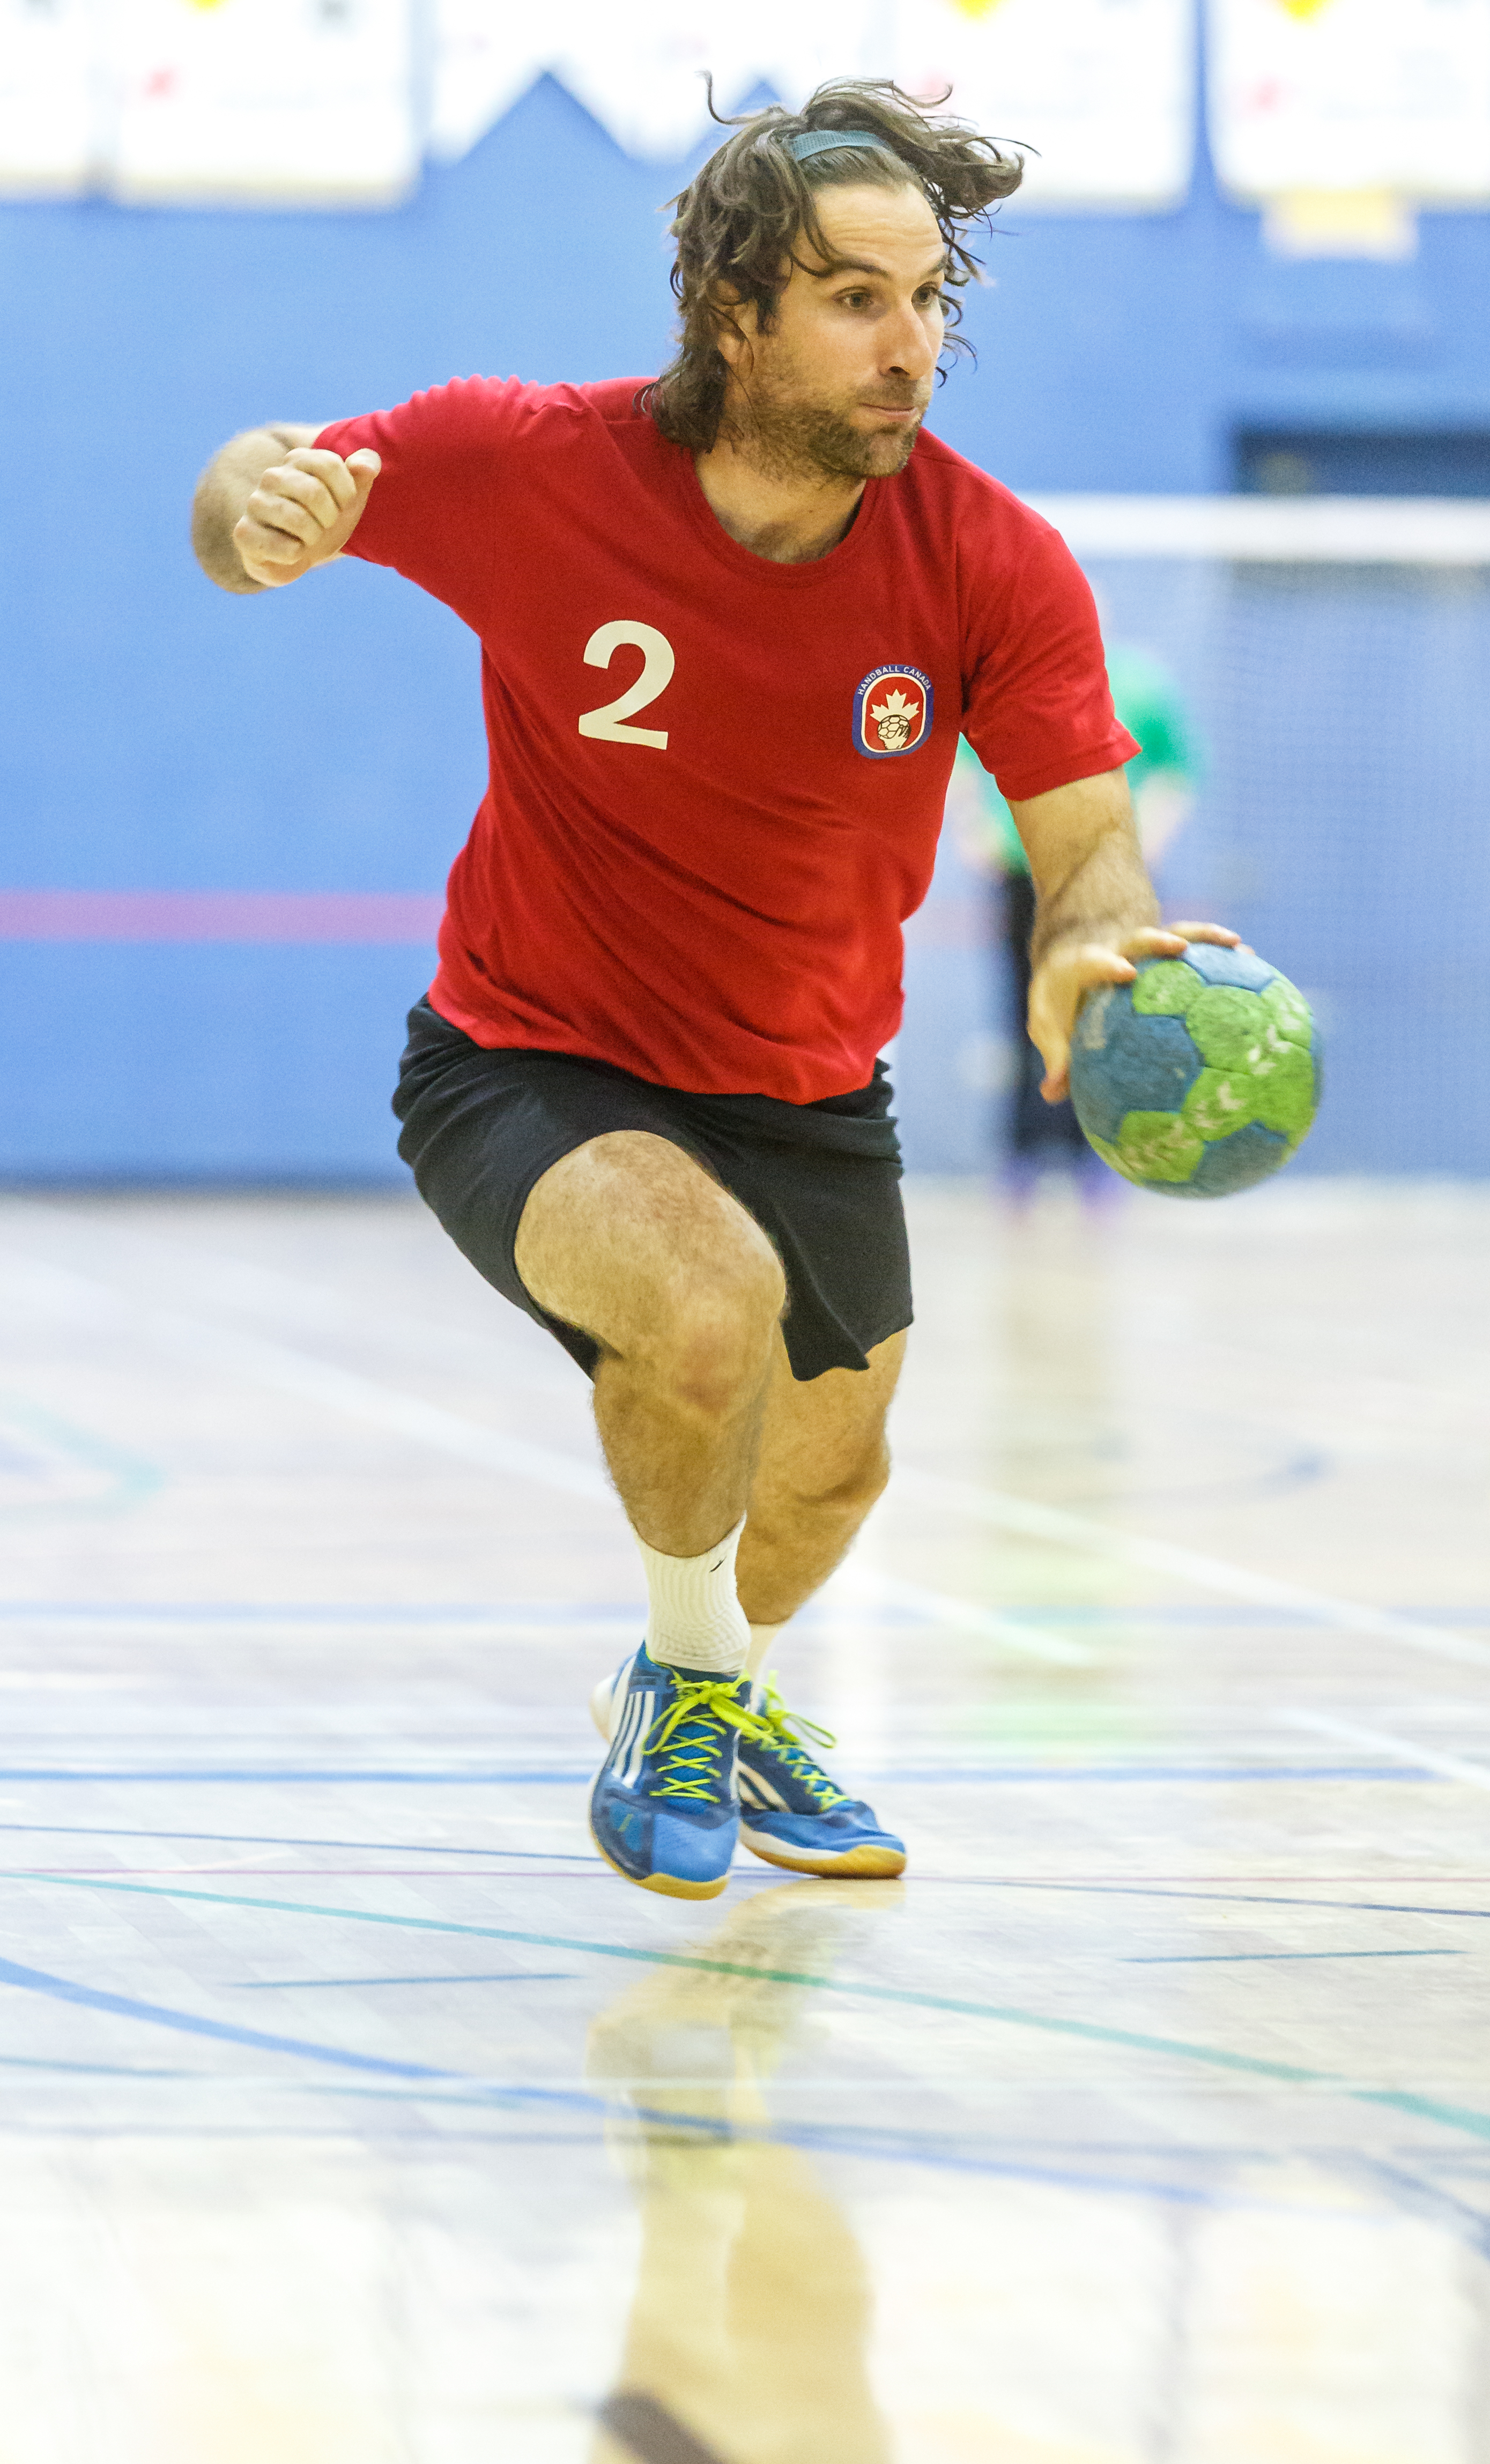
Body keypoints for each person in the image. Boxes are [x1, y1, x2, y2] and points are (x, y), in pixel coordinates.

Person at [190, 80, 1236, 1904]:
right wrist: (249, 512)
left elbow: (1083, 844)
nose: (907, 344)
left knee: (831, 1478)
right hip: (525, 1059)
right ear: (730, 311)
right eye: (852, 299)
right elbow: (249, 488)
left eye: (926, 301)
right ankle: (690, 1696)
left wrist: (1087, 933)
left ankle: (699, 1687)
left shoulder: (986, 560)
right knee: (705, 1310)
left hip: (808, 1090)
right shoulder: (524, 464)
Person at [950, 644, 1200, 1191]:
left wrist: (1149, 840)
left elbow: (1175, 771)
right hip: (1023, 869)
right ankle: (1022, 1154)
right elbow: (962, 758)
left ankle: (1097, 1153)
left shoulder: (1140, 683)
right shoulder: (1009, 676)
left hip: (1102, 869)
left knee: (1105, 1010)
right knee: (1022, 1005)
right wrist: (973, 827)